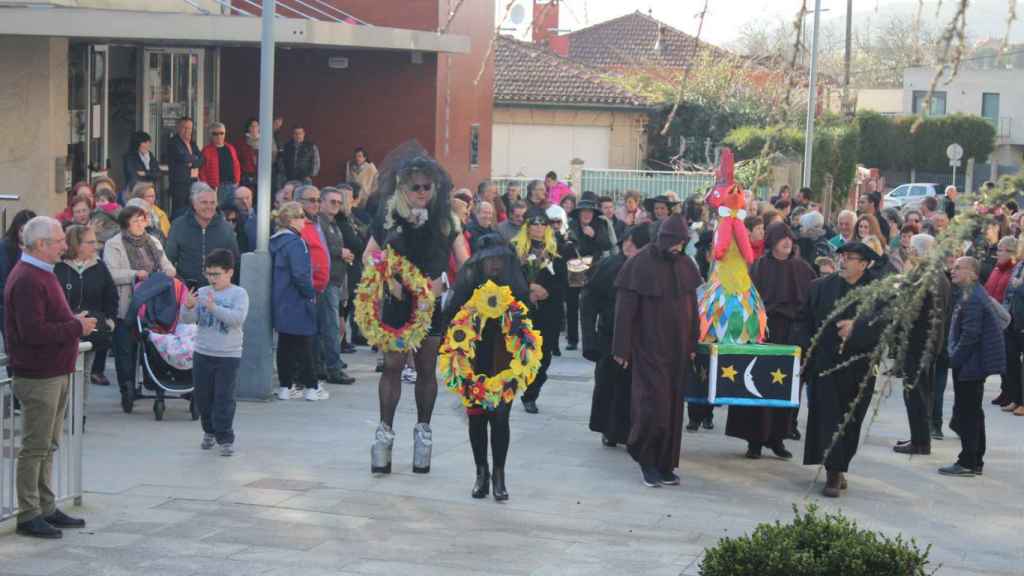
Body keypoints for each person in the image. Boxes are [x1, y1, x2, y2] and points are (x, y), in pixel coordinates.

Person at [365, 147, 469, 475]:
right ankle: (384, 434)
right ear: (402, 188)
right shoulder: (388, 216)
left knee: (426, 368)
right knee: (393, 366)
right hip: (398, 299)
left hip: (431, 301)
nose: (422, 192)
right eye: (415, 187)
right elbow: (370, 254)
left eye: (427, 186)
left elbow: (465, 261)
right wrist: (386, 277)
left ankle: (423, 434)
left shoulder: (447, 218)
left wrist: (452, 286)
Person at [5, 216, 96, 538]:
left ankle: (44, 506)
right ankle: (29, 513)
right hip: (38, 374)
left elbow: (44, 322)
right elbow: (32, 332)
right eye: (58, 240)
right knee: (36, 446)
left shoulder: (41, 273)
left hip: (52, 371)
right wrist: (76, 327)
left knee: (48, 444)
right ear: (41, 245)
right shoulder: (29, 278)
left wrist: (71, 321)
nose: (64, 245)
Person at [613, 214, 700, 487]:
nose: (679, 248)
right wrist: (621, 348)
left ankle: (665, 464)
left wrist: (693, 343)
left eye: (683, 243)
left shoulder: (686, 264)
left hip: (679, 350)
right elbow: (624, 312)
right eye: (675, 243)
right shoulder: (639, 264)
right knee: (653, 407)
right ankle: (646, 460)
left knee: (674, 409)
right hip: (649, 348)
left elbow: (693, 311)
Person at [444, 234, 531, 500]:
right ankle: (481, 473)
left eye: (499, 260)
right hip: (473, 359)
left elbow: (528, 320)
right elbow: (450, 317)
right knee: (477, 417)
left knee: (501, 417)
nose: (494, 265)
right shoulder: (467, 284)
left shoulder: (514, 285)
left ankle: (499, 475)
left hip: (504, 361)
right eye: (489, 260)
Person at [727, 222, 814, 460]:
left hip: (791, 335)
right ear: (772, 241)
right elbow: (747, 301)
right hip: (764, 334)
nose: (788, 242)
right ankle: (754, 441)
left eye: (790, 239)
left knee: (785, 388)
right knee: (757, 384)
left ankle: (777, 438)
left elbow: (811, 303)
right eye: (782, 238)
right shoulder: (759, 268)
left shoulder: (803, 269)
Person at [803, 241, 883, 497]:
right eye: (842, 256)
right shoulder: (822, 287)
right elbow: (807, 321)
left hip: (860, 365)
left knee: (852, 418)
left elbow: (887, 324)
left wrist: (858, 328)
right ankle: (832, 473)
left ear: (864, 263)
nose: (844, 261)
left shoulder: (878, 290)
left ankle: (841, 464)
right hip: (826, 364)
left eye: (850, 257)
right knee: (828, 416)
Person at [584, 225, 650, 447]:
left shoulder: (649, 268)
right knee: (608, 384)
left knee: (632, 388)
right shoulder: (609, 265)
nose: (628, 245)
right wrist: (589, 338)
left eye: (634, 241)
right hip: (609, 335)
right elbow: (589, 300)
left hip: (640, 339)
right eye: (626, 240)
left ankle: (632, 430)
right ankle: (609, 430)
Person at [181, 249, 249, 457]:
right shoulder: (201, 291)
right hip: (203, 352)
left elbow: (236, 319)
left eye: (216, 274)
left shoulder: (239, 294)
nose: (211, 279)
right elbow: (188, 319)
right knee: (203, 396)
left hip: (228, 355)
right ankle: (208, 430)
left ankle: (225, 437)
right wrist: (189, 307)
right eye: (208, 274)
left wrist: (213, 308)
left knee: (224, 397)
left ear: (229, 272)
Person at [942, 256, 1005, 477]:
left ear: (973, 274)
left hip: (971, 365)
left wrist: (955, 359)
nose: (953, 270)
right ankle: (975, 458)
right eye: (954, 267)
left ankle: (968, 461)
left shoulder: (973, 298)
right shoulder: (970, 293)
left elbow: (971, 335)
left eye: (959, 268)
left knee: (967, 413)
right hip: (972, 363)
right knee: (973, 412)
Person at [104, 205, 176, 393]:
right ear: (125, 223)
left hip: (152, 302)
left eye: (142, 219)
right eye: (134, 220)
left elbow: (165, 262)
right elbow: (110, 273)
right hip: (128, 303)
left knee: (152, 343)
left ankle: (152, 379)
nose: (139, 224)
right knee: (126, 348)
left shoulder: (153, 241)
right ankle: (126, 386)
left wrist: (169, 271)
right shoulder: (114, 244)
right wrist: (135, 274)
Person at [893, 234, 951, 456]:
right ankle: (918, 437)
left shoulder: (926, 277)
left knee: (916, 393)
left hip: (919, 344)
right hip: (927, 344)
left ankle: (920, 441)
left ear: (917, 252)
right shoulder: (937, 275)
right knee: (920, 393)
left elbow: (911, 310)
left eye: (912, 251)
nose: (910, 254)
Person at [270, 202, 323, 402]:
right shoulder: (295, 243)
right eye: (301, 216)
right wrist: (310, 293)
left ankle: (285, 386)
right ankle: (311, 387)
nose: (304, 220)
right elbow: (300, 274)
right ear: (291, 220)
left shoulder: (274, 242)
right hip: (298, 299)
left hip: (281, 300)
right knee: (306, 344)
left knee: (285, 345)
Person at [514, 207, 565, 414]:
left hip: (548, 311)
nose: (539, 227)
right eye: (534, 223)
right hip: (522, 309)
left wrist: (547, 291)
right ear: (526, 226)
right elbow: (507, 278)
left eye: (543, 223)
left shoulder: (557, 250)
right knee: (521, 354)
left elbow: (567, 282)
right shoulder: (514, 249)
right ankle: (516, 388)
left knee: (544, 358)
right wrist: (529, 289)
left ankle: (531, 393)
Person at [54, 225, 118, 387]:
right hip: (63, 331)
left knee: (84, 372)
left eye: (95, 242)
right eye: (90, 242)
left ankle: (80, 412)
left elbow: (111, 295)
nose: (94, 246)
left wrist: (110, 321)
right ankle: (66, 412)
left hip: (92, 330)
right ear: (76, 244)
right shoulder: (58, 266)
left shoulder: (99, 265)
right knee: (64, 374)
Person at [165, 183, 240, 288]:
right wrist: (178, 285)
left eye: (212, 203)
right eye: (204, 203)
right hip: (187, 290)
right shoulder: (178, 225)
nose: (209, 207)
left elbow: (235, 261)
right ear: (194, 204)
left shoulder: (226, 228)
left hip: (218, 292)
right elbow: (168, 260)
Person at [317, 187, 356, 385]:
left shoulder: (334, 223)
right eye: (332, 201)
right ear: (321, 202)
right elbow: (319, 247)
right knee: (331, 327)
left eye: (339, 203)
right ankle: (333, 368)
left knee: (330, 326)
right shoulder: (319, 223)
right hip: (326, 281)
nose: (336, 206)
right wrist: (339, 251)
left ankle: (326, 364)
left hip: (336, 280)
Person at [566, 197, 613, 351]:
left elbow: (607, 244)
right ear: (578, 213)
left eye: (589, 212)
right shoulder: (572, 224)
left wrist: (594, 235)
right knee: (573, 304)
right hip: (577, 265)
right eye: (583, 212)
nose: (587, 215)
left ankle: (592, 340)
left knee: (591, 303)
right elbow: (568, 244)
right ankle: (572, 339)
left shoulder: (600, 224)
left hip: (595, 266)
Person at [985, 236, 1018, 411]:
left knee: (1010, 358)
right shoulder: (997, 268)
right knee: (1002, 358)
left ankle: (1012, 393)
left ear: (1011, 252)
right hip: (994, 317)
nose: (997, 253)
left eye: (1000, 249)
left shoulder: (1013, 270)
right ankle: (1005, 391)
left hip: (1005, 319)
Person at [0, 209, 37, 332]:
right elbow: (6, 279)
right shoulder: (6, 247)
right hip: (10, 304)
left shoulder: (37, 246)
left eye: (29, 231)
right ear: (16, 230)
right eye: (22, 230)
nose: (25, 235)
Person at [166, 116, 202, 217]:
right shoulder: (173, 142)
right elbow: (183, 157)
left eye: (189, 128)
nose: (187, 131)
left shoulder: (192, 143)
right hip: (180, 184)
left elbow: (202, 159)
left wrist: (192, 162)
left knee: (191, 211)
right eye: (184, 128)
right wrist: (194, 159)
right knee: (179, 212)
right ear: (178, 128)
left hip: (193, 182)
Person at [199, 122, 241, 207]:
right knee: (216, 212)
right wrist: (208, 189)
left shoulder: (230, 148)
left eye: (221, 133)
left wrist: (237, 181)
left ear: (225, 134)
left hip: (232, 185)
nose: (219, 136)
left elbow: (236, 165)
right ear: (211, 135)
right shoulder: (206, 151)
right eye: (215, 134)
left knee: (234, 211)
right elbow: (202, 172)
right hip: (216, 188)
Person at [233, 117, 259, 189]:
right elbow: (236, 159)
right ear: (248, 128)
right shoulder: (241, 141)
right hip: (245, 174)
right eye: (252, 126)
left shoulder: (263, 140)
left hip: (260, 174)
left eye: (256, 126)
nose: (254, 128)